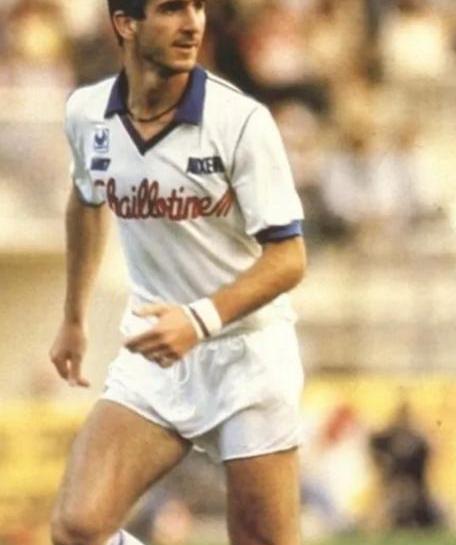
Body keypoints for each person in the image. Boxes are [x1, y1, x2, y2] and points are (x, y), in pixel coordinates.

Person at [49, 1, 307, 545]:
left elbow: (289, 257)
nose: (192, 23)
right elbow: (85, 201)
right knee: (77, 531)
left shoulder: (241, 122)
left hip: (249, 356)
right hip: (156, 356)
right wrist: (73, 319)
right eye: (171, 9)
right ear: (125, 23)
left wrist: (199, 320)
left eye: (197, 6)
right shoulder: (86, 113)